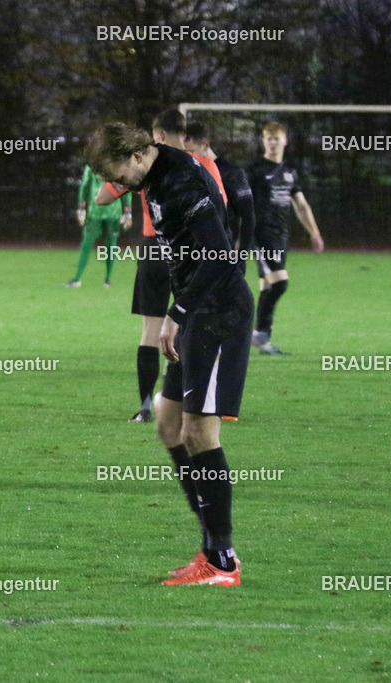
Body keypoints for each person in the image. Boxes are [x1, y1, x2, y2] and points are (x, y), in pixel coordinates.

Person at [88, 122, 252, 586]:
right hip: (195, 310)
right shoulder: (153, 175)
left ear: (138, 156)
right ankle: (210, 545)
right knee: (168, 425)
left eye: (119, 174)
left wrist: (177, 312)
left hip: (219, 312)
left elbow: (220, 255)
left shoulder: (181, 180)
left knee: (199, 431)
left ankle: (222, 560)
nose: (119, 185)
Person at [96, 109, 226, 423]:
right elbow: (222, 205)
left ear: (161, 135)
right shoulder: (201, 164)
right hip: (192, 252)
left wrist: (123, 183)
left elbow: (101, 198)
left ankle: (146, 405)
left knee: (151, 331)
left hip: (154, 249)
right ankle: (203, 403)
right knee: (195, 327)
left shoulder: (142, 166)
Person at [247, 122, 324, 355]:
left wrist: (314, 232)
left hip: (281, 234)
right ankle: (254, 334)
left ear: (284, 141)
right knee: (280, 283)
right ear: (264, 142)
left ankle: (264, 341)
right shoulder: (255, 170)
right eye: (268, 139)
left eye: (276, 138)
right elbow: (241, 201)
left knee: (267, 285)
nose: (272, 143)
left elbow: (300, 204)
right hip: (261, 234)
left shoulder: (290, 170)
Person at [184, 121, 255, 270]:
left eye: (191, 151)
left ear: (205, 144)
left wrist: (241, 254)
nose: (188, 157)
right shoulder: (189, 173)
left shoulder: (230, 174)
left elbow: (248, 216)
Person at [65, 163, 131, 288]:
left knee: (91, 244)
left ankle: (81, 279)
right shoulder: (115, 163)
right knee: (108, 245)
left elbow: (85, 186)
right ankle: (106, 280)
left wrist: (81, 208)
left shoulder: (95, 164)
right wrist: (128, 212)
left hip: (102, 211)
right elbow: (125, 188)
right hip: (106, 212)